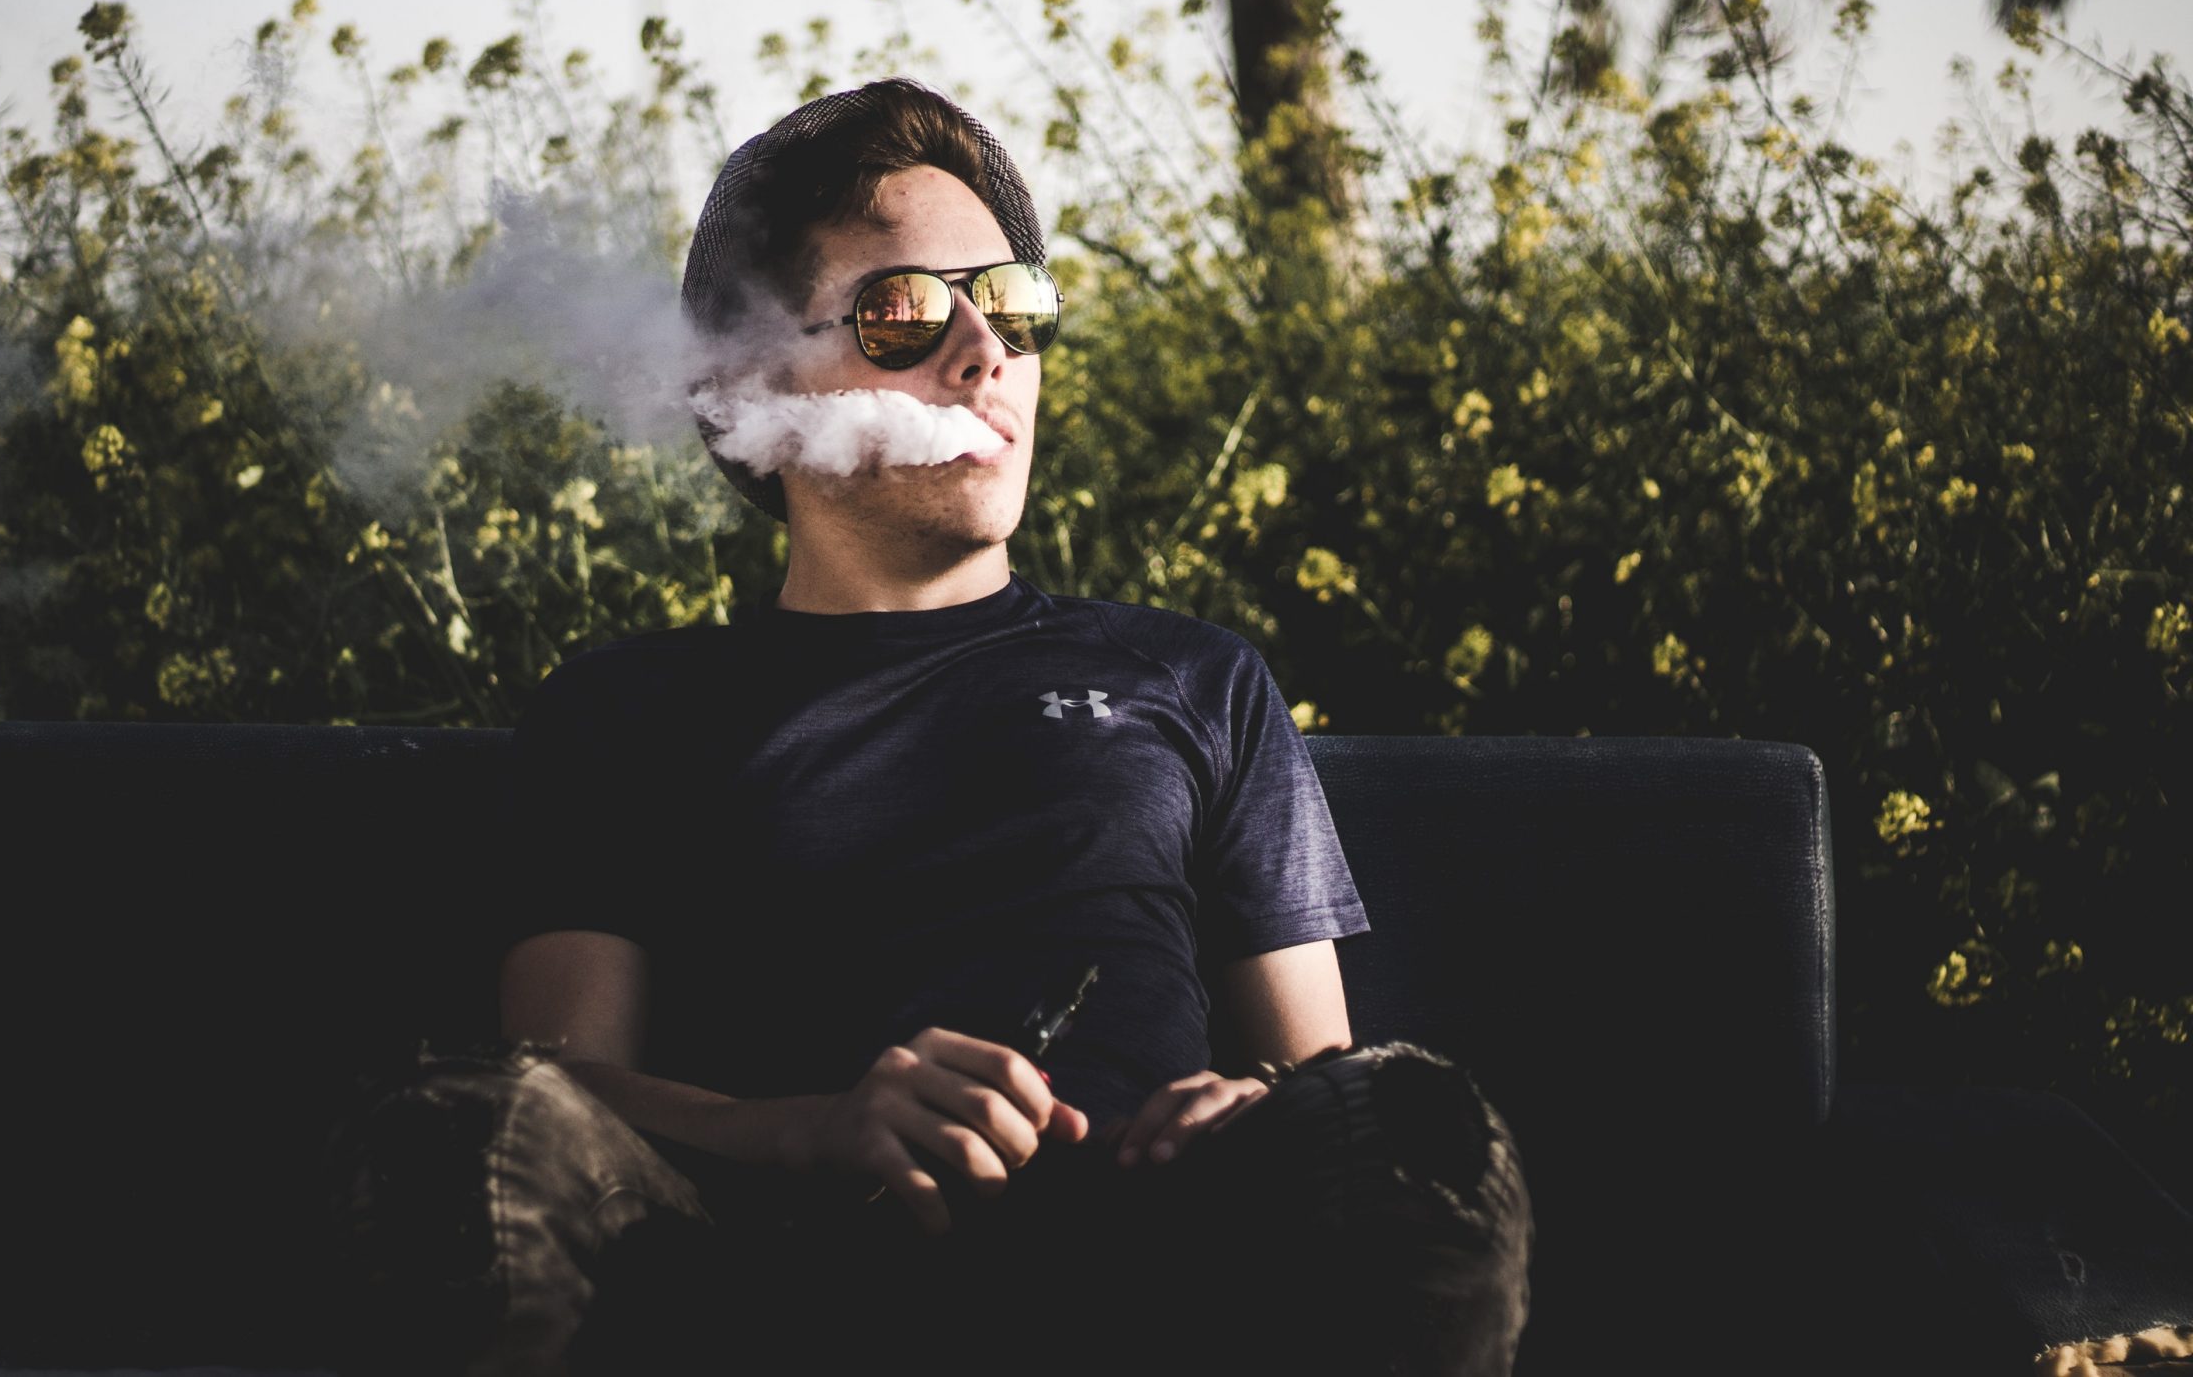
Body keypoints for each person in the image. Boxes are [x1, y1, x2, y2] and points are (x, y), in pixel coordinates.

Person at [327, 80, 1532, 1375]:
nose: (985, 353)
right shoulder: (630, 710)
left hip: (1154, 1284)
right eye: (903, 312)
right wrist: (814, 1130)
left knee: (1405, 1121)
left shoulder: (1194, 679)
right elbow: (557, 1101)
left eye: (1012, 304)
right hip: (760, 1283)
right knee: (469, 1130)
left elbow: (1329, 1089)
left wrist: (1260, 1107)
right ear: (744, 376)